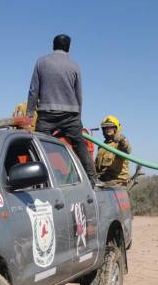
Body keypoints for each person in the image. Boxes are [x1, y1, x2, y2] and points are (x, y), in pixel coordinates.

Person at [26, 34, 98, 182]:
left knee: (38, 144)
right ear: (69, 48)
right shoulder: (74, 66)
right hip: (70, 114)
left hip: (47, 114)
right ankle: (92, 179)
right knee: (79, 145)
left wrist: (29, 113)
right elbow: (79, 94)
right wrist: (78, 117)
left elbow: (34, 89)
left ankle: (36, 181)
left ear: (53, 46)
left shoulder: (41, 62)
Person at [95, 115, 132, 186]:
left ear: (116, 128)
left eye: (111, 127)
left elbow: (128, 150)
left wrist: (122, 140)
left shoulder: (119, 143)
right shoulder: (101, 146)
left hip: (117, 182)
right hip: (103, 179)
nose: (108, 129)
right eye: (106, 127)